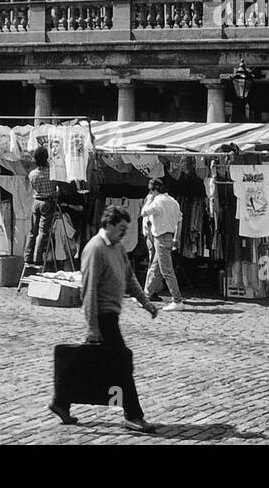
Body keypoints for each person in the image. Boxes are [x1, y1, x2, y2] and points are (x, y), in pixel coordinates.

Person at [49, 206, 158, 433]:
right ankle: (133, 415)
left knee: (90, 365)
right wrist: (92, 327)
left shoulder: (117, 249)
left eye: (126, 229)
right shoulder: (94, 249)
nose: (124, 233)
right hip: (102, 317)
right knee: (122, 366)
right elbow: (88, 290)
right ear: (108, 224)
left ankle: (61, 402)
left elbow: (129, 279)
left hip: (112, 316)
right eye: (120, 228)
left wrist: (147, 304)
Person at [141, 177, 184, 310]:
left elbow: (143, 213)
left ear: (153, 190)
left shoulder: (157, 201)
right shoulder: (173, 201)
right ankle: (145, 295)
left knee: (166, 270)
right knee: (156, 267)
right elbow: (179, 220)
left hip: (160, 237)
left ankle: (177, 300)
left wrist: (148, 201)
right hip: (169, 236)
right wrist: (176, 237)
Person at [26, 146, 61, 267]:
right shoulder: (51, 172)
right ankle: (37, 258)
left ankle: (28, 256)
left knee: (33, 231)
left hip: (36, 202)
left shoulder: (32, 174)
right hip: (47, 202)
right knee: (43, 231)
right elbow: (57, 185)